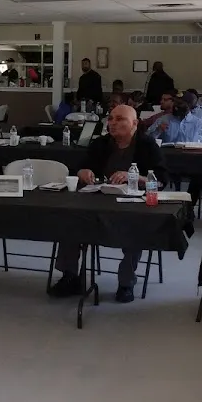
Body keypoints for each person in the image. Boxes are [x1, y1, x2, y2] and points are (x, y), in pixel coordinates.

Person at [48, 105, 169, 303]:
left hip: (132, 204)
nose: (112, 123)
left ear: (134, 124)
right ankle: (70, 276)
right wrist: (83, 172)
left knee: (136, 230)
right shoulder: (101, 143)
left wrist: (135, 177)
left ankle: (126, 282)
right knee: (70, 221)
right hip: (98, 200)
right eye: (111, 118)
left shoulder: (147, 146)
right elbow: (80, 167)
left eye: (120, 119)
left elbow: (161, 180)